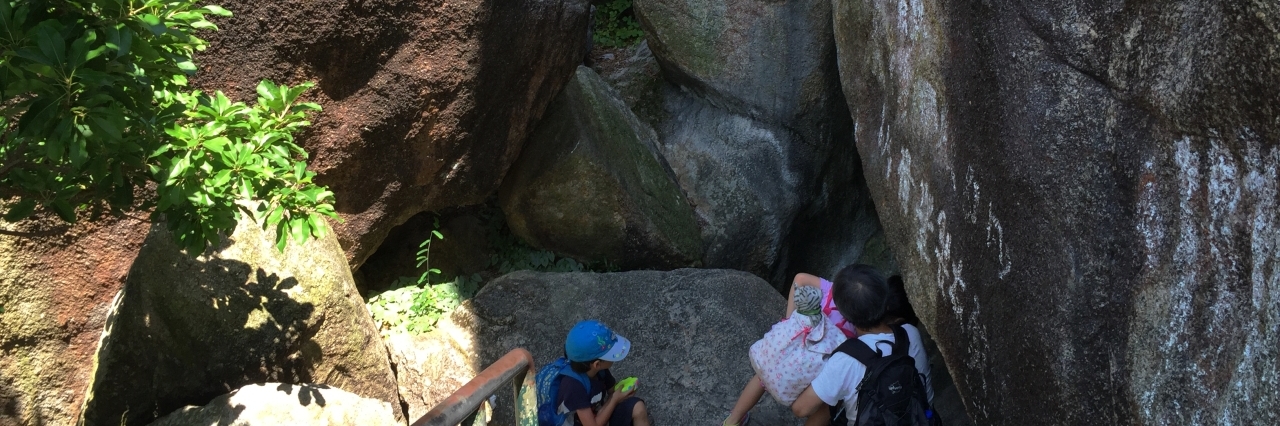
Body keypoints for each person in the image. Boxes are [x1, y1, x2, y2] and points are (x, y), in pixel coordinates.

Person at [790, 265, 934, 425]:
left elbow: (800, 409)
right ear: (886, 301)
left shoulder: (845, 359)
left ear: (845, 316)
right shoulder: (910, 333)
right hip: (921, 419)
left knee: (829, 401)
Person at [556, 320, 652, 426]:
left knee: (638, 407)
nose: (613, 358)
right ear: (597, 364)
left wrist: (624, 392)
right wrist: (615, 399)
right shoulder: (574, 387)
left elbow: (612, 390)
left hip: (599, 414)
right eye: (610, 355)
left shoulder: (599, 370)